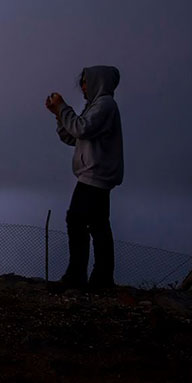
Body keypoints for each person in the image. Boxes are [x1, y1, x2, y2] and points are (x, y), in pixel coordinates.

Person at [45, 65, 123, 291]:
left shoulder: (105, 105)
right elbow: (74, 137)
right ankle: (100, 279)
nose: (83, 87)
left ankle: (80, 276)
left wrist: (62, 108)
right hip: (95, 174)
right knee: (96, 224)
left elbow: (81, 129)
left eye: (85, 82)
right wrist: (60, 115)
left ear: (98, 81)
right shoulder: (96, 107)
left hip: (94, 175)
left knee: (78, 221)